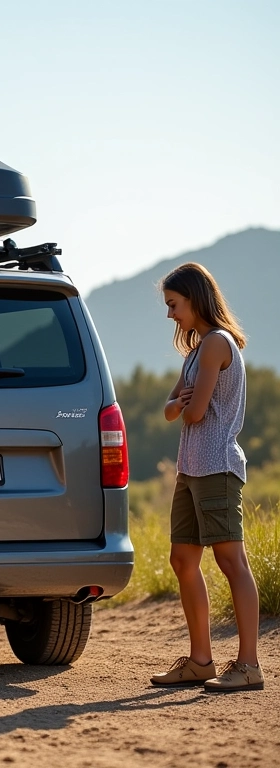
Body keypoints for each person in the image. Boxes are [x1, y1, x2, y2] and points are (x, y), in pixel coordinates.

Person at [150, 262, 263, 692]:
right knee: (182, 560)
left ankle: (249, 665)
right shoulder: (197, 351)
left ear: (195, 299)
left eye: (173, 304)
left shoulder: (218, 343)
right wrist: (181, 402)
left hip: (217, 465)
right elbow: (169, 408)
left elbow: (192, 412)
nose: (170, 314)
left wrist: (182, 402)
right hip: (190, 468)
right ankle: (200, 661)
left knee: (232, 561)